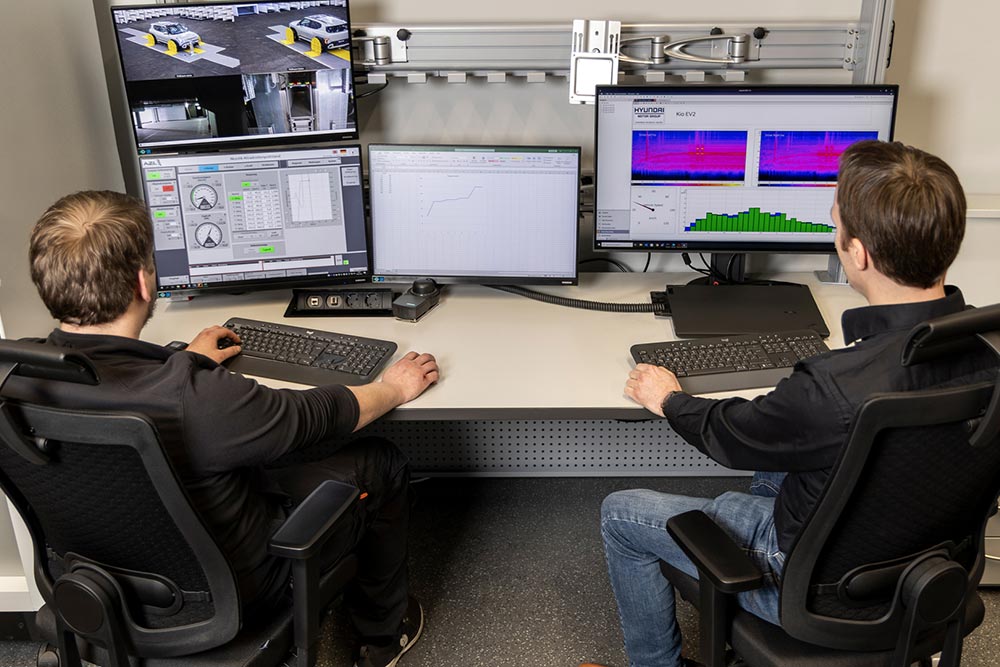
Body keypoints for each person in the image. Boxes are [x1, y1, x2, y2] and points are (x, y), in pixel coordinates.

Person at [599, 140, 997, 667]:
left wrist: (669, 399)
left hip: (817, 592)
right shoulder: (989, 354)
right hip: (929, 575)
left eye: (836, 225)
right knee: (778, 464)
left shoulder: (834, 385)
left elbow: (732, 434)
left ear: (858, 254)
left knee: (621, 512)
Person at [4, 190, 436, 667]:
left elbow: (119, 383)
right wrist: (392, 388)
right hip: (234, 594)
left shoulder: (14, 376)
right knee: (378, 462)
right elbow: (315, 416)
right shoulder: (197, 398)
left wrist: (184, 360)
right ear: (144, 282)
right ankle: (382, 638)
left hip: (92, 585)